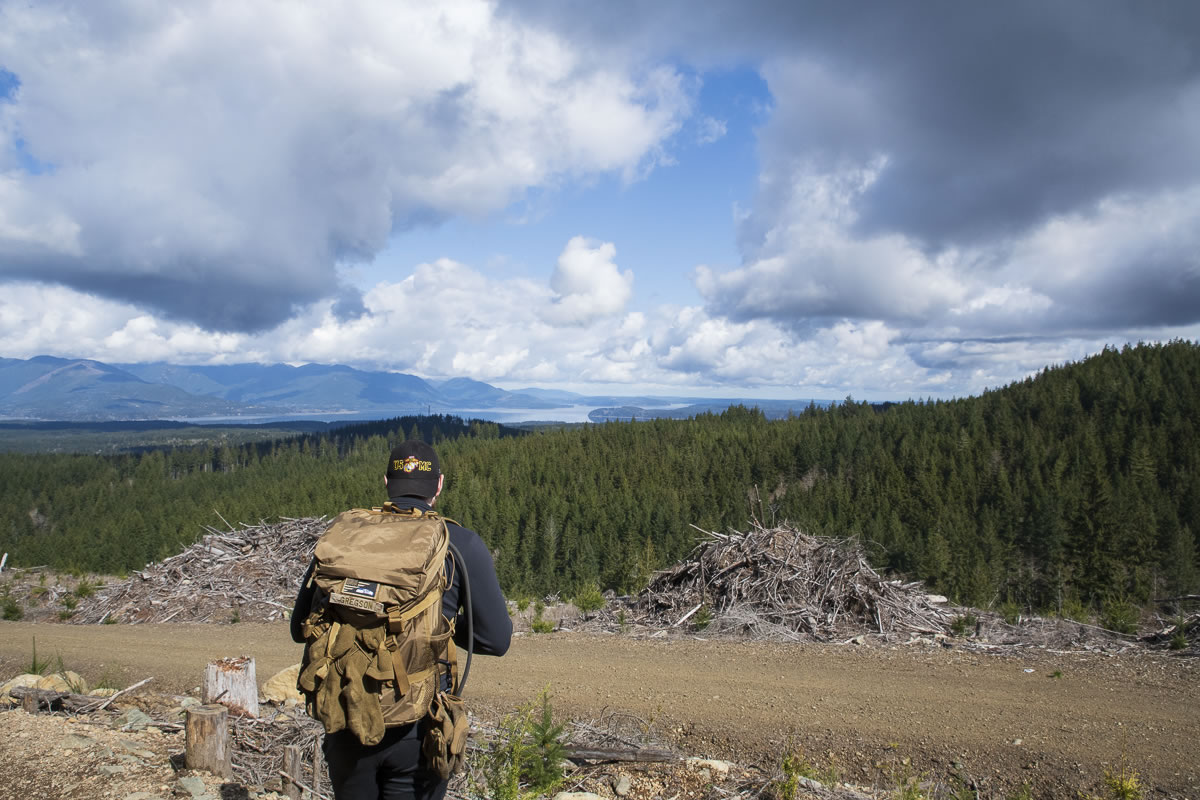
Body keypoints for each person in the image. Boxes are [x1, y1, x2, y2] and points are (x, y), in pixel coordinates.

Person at [291, 439, 512, 800]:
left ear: (386, 482)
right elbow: (496, 640)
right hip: (420, 723)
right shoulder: (460, 545)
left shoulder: (346, 538)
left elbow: (299, 629)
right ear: (438, 485)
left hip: (346, 712)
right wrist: (440, 626)